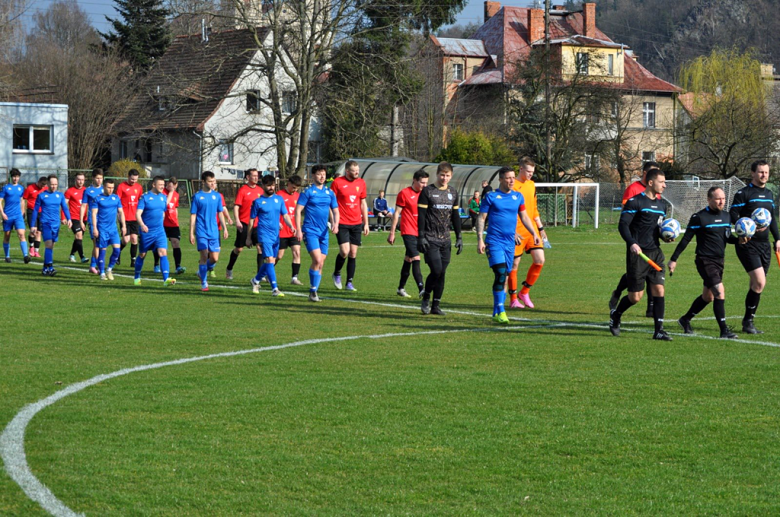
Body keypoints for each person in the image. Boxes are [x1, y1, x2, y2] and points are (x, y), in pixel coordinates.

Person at [609, 168, 673, 340]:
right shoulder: (635, 202)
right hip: (638, 255)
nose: (664, 186)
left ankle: (659, 330)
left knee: (659, 290)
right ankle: (616, 315)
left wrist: (665, 237)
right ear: (651, 183)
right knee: (635, 297)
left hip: (656, 253)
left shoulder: (662, 206)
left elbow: (656, 229)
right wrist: (632, 243)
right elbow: (623, 225)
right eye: (662, 182)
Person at [668, 187, 739, 339]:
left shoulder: (727, 217)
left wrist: (740, 240)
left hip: (720, 261)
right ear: (709, 199)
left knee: (708, 297)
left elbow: (727, 237)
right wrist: (674, 259)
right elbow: (686, 239)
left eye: (723, 198)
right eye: (718, 198)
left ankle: (685, 319)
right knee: (719, 292)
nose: (721, 201)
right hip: (705, 260)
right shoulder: (699, 217)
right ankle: (724, 330)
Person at [477, 166, 540, 324]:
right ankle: (502, 310)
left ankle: (496, 311)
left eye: (513, 177)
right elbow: (481, 218)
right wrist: (480, 238)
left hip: (509, 244)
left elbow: (525, 217)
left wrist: (534, 233)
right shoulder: (491, 197)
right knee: (500, 273)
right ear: (500, 179)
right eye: (508, 178)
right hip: (494, 241)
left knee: (504, 276)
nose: (512, 180)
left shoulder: (518, 197)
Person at [729, 160, 780, 334]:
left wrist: (778, 239)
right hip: (747, 244)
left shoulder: (769, 194)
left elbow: (771, 218)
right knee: (759, 282)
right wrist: (746, 226)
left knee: (757, 285)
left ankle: (747, 321)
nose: (764, 175)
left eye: (766, 172)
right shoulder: (744, 193)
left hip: (764, 245)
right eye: (760, 172)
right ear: (752, 173)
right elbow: (733, 215)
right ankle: (748, 322)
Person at [609, 161, 660, 316]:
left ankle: (651, 308)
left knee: (652, 274)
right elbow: (626, 214)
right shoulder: (633, 189)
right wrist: (631, 239)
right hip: (635, 241)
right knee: (636, 274)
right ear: (645, 174)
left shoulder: (657, 193)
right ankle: (618, 292)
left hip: (651, 242)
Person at [417, 161, 463, 315]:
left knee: (442, 272)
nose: (444, 178)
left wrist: (459, 237)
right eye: (442, 175)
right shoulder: (427, 191)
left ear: (451, 176)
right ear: (437, 174)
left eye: (447, 175)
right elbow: (421, 216)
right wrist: (421, 237)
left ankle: (436, 305)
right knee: (436, 270)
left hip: (446, 240)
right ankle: (426, 297)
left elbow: (455, 216)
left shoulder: (453, 192)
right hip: (430, 238)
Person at [295, 164, 339, 302]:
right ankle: (313, 291)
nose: (322, 176)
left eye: (324, 174)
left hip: (323, 232)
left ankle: (314, 291)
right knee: (317, 260)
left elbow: (335, 210)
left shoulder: (329, 193)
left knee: (321, 263)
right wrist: (298, 229)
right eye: (319, 174)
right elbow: (297, 211)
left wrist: (335, 224)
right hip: (310, 230)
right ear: (313, 175)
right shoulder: (307, 192)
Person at [507, 157, 548, 309]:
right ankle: (513, 299)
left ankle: (524, 292)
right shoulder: (512, 185)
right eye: (529, 171)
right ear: (521, 169)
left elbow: (534, 208)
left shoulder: (531, 185)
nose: (531, 174)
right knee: (514, 264)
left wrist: (541, 228)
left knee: (540, 260)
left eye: (533, 172)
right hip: (516, 230)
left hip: (532, 230)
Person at [248, 175, 294, 297]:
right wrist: (248, 237)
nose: (271, 187)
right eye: (268, 185)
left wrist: (291, 226)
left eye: (273, 185)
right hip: (264, 235)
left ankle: (255, 280)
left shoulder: (279, 199)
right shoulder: (258, 202)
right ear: (263, 185)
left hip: (275, 235)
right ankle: (275, 289)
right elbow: (252, 220)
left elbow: (285, 215)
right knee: (269, 259)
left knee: (271, 261)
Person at [388, 169, 429, 297]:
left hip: (420, 232)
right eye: (422, 182)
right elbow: (396, 214)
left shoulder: (425, 194)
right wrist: (392, 233)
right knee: (416, 258)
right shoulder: (404, 193)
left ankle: (401, 288)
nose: (424, 185)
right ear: (414, 180)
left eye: (426, 183)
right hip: (408, 231)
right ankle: (421, 288)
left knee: (408, 259)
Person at [331, 160, 369, 291]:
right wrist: (334, 221)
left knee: (353, 253)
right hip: (342, 222)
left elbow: (363, 203)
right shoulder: (337, 183)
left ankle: (349, 283)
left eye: (358, 170)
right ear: (347, 171)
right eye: (354, 171)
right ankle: (336, 273)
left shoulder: (361, 183)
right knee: (345, 251)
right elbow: (331, 203)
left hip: (356, 223)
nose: (357, 172)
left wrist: (366, 223)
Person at [190, 171, 229, 291]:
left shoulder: (217, 196)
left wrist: (225, 228)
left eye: (213, 181)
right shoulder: (197, 196)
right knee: (204, 255)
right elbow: (193, 215)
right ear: (203, 182)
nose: (212, 183)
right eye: (209, 181)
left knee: (214, 258)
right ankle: (204, 282)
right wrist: (191, 232)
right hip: (201, 231)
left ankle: (200, 272)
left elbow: (220, 213)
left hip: (214, 232)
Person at [135, 175, 176, 286]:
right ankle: (137, 276)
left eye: (164, 185)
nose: (163, 187)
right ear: (153, 185)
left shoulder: (163, 197)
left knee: (163, 252)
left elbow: (162, 211)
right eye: (160, 185)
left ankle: (166, 280)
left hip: (159, 231)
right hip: (146, 232)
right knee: (142, 254)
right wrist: (142, 225)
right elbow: (138, 214)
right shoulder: (145, 197)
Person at [30, 175, 72, 276]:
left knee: (51, 247)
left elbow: (65, 208)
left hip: (56, 224)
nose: (53, 186)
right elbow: (35, 210)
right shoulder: (42, 195)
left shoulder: (60, 195)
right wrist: (33, 225)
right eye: (52, 184)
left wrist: (69, 219)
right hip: (45, 223)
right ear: (48, 184)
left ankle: (45, 268)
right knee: (48, 245)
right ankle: (51, 268)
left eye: (55, 184)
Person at [225, 168, 261, 280]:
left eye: (257, 175)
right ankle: (229, 268)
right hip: (244, 223)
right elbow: (236, 206)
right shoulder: (243, 190)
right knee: (239, 249)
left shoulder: (260, 190)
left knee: (260, 248)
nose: (256, 177)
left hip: (257, 224)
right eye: (253, 175)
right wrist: (237, 221)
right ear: (248, 177)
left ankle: (260, 275)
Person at [90, 178, 126, 280]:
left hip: (113, 229)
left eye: (112, 188)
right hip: (102, 229)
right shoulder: (97, 199)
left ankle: (109, 269)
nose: (111, 190)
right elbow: (94, 214)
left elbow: (121, 212)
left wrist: (123, 226)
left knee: (117, 251)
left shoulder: (116, 198)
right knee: (102, 251)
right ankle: (101, 273)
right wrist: (95, 228)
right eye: (109, 187)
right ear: (104, 187)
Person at [276, 175, 304, 285]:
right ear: (288, 183)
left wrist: (299, 229)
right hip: (281, 231)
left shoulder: (299, 197)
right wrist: (277, 222)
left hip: (294, 231)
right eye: (293, 187)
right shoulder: (279, 195)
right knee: (278, 256)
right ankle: (265, 272)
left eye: (297, 188)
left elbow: (299, 213)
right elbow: (274, 210)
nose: (295, 190)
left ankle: (294, 278)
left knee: (297, 252)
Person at [0, 168, 30, 263]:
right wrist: (2, 213)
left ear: (19, 177)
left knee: (21, 234)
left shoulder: (21, 188)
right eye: (14, 176)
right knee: (7, 236)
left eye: (17, 177)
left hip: (18, 216)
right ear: (11, 177)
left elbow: (22, 201)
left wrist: (22, 212)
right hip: (7, 216)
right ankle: (7, 256)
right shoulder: (5, 188)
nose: (15, 178)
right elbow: (0, 201)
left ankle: (25, 256)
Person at [117, 169, 143, 266]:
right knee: (126, 240)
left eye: (135, 179)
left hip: (135, 217)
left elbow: (140, 200)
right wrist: (118, 214)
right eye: (132, 179)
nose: (134, 181)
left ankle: (133, 260)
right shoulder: (121, 186)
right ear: (128, 177)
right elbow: (117, 201)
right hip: (124, 217)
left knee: (134, 239)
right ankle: (117, 253)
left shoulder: (139, 187)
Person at [80, 169, 105, 274]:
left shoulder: (105, 189)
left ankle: (93, 265)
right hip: (93, 220)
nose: (99, 180)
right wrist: (81, 220)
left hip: (104, 221)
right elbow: (84, 205)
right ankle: (99, 266)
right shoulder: (88, 191)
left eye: (101, 178)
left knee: (101, 244)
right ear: (93, 178)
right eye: (97, 178)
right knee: (96, 243)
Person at [163, 177, 186, 274]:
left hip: (173, 224)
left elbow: (175, 207)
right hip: (163, 223)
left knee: (176, 242)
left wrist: (176, 219)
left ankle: (178, 267)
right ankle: (156, 265)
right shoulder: (163, 193)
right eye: (169, 185)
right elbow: (165, 204)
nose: (170, 187)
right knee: (161, 246)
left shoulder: (176, 195)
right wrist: (170, 193)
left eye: (173, 185)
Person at [64, 172, 88, 263]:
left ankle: (72, 255)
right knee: (79, 235)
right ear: (75, 180)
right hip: (73, 217)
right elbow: (64, 205)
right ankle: (82, 257)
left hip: (83, 218)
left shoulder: (86, 190)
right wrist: (64, 217)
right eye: (79, 179)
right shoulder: (70, 191)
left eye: (82, 179)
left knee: (78, 238)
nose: (80, 181)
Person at [23, 176, 48, 258]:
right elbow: (24, 199)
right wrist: (23, 210)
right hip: (31, 211)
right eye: (42, 185)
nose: (42, 187)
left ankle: (36, 251)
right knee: (33, 230)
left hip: (42, 213)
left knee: (39, 232)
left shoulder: (45, 189)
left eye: (44, 185)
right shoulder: (30, 188)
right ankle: (31, 247)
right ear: (38, 181)